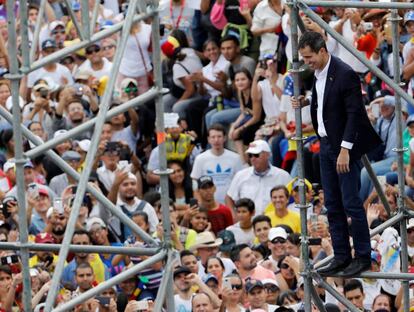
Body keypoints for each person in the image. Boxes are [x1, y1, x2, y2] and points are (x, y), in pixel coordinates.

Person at [292, 31, 382, 277]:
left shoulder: (345, 73)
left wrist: (345, 149)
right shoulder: (319, 73)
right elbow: (326, 100)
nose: (307, 62)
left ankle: (362, 256)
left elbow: (354, 114)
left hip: (342, 147)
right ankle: (342, 255)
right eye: (304, 58)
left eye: (309, 57)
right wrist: (306, 100)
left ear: (322, 51)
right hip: (325, 144)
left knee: (351, 202)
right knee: (331, 204)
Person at [226, 139, 291, 216]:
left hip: (275, 223)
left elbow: (291, 200)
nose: (253, 158)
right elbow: (229, 197)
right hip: (248, 224)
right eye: (250, 155)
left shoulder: (283, 176)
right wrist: (234, 216)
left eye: (256, 155)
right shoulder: (241, 175)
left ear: (267, 155)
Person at [191, 124, 243, 204]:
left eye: (219, 136)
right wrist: (200, 204)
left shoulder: (235, 158)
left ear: (224, 138)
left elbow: (241, 181)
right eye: (213, 137)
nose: (216, 140)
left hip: (231, 205)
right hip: (209, 205)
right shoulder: (200, 159)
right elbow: (195, 182)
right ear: (208, 139)